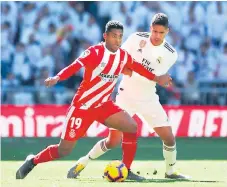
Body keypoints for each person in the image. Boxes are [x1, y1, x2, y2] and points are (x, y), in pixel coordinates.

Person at [16, 20, 171, 180]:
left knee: (131, 127)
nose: (117, 40)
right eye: (113, 36)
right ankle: (32, 161)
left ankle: (126, 169)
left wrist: (157, 78)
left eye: (120, 36)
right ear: (105, 36)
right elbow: (75, 66)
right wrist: (57, 77)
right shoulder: (94, 52)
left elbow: (138, 67)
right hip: (82, 107)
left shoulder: (123, 56)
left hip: (104, 105)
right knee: (64, 150)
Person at [71, 13, 190, 180]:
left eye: (161, 33)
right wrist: (127, 69)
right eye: (154, 31)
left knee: (169, 139)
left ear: (167, 32)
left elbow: (150, 74)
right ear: (150, 29)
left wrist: (146, 74)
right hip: (126, 95)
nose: (156, 36)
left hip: (148, 98)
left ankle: (170, 172)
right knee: (112, 141)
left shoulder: (171, 54)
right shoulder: (135, 38)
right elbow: (118, 59)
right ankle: (82, 162)